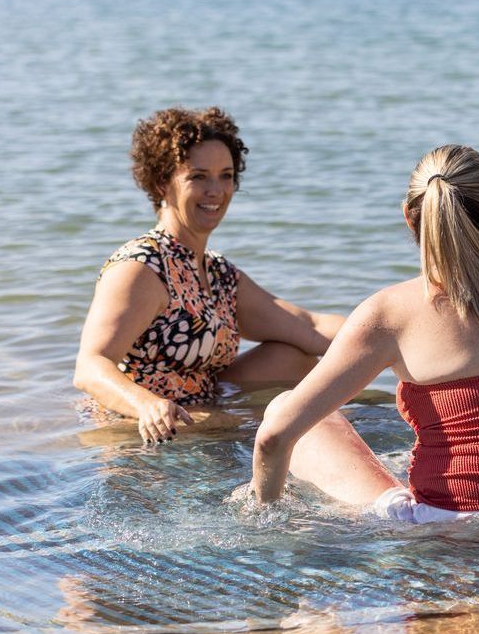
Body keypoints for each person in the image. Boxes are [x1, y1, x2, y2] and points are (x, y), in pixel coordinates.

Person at [244, 144, 479, 533]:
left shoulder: (389, 314)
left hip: (459, 527)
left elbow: (273, 440)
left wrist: (266, 521)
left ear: (410, 219)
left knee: (283, 408)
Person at [75, 107, 341, 442]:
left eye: (226, 175)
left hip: (203, 416)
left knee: (293, 357)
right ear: (162, 183)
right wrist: (146, 405)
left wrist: (394, 339)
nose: (216, 190)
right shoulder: (141, 267)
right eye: (198, 176)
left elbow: (309, 326)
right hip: (140, 433)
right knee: (299, 429)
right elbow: (89, 366)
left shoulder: (218, 274)